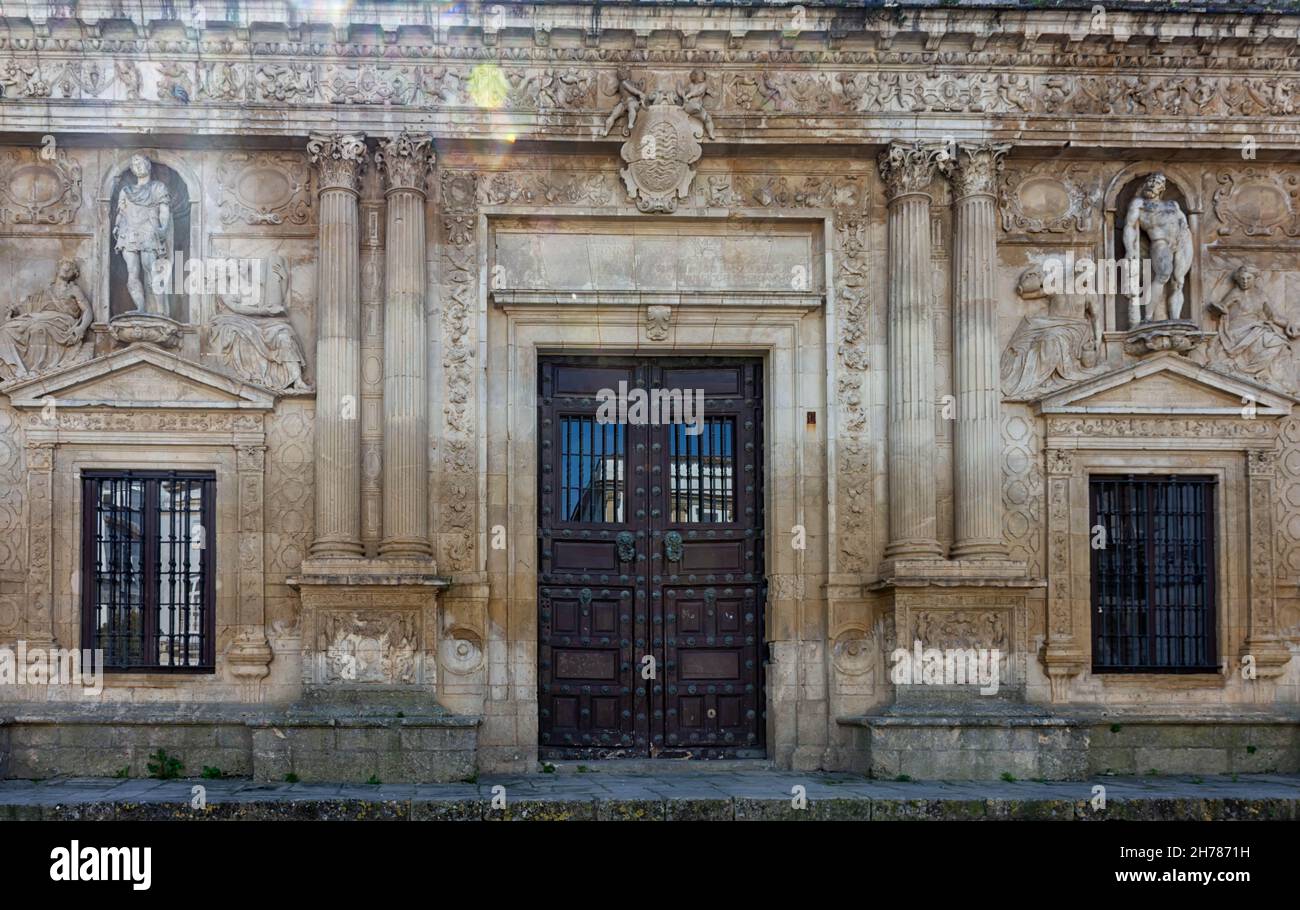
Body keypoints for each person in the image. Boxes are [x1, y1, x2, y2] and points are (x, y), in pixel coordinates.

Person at [0, 258, 92, 380]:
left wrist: (81, 328)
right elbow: (31, 305)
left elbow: (87, 311)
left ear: (74, 274)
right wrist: (14, 311)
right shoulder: (47, 290)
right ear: (58, 269)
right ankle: (16, 369)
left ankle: (36, 369)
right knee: (6, 329)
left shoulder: (74, 290)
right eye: (64, 265)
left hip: (62, 322)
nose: (66, 268)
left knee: (38, 328)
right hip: (40, 317)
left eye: (70, 267)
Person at [1122, 172, 1193, 324]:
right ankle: (1148, 317)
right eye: (1150, 182)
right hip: (1159, 242)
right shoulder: (1139, 203)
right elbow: (1129, 227)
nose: (1152, 185)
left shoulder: (1173, 204)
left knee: (1179, 281)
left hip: (1182, 240)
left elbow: (1183, 221)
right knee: (1163, 275)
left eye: (1157, 183)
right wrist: (1129, 249)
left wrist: (1184, 236)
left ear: (1162, 188)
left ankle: (1175, 319)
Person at [113, 154, 172, 315]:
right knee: (132, 272)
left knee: (152, 270)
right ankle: (140, 307)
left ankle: (161, 311)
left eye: (140, 163)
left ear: (148, 165)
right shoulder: (126, 191)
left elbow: (164, 210)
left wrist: (164, 227)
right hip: (128, 231)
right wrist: (117, 226)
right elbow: (121, 212)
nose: (137, 167)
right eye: (134, 164)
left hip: (148, 229)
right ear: (131, 169)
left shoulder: (158, 187)